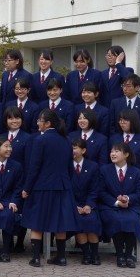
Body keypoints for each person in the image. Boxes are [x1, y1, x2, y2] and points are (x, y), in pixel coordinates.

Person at [21, 109, 80, 267]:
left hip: (42, 186)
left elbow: (34, 168)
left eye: (40, 120)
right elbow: (70, 168)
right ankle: (61, 257)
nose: (37, 123)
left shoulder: (40, 141)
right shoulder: (67, 140)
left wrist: (27, 188)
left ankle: (35, 258)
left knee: (37, 221)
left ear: (48, 123)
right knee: (60, 221)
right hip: (62, 186)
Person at [98, 142, 140, 268]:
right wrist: (116, 202)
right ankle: (120, 254)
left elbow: (139, 193)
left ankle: (129, 254)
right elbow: (101, 192)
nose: (113, 154)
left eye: (117, 151)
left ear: (126, 154)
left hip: (131, 206)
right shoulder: (104, 170)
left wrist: (127, 199)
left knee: (132, 220)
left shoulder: (136, 172)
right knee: (116, 220)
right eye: (111, 151)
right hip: (110, 206)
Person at [71, 138, 102, 265]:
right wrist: (75, 206)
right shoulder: (66, 165)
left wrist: (89, 205)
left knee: (91, 220)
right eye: (71, 148)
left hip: (90, 204)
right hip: (72, 205)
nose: (72, 150)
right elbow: (66, 190)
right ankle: (86, 254)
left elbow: (94, 189)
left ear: (83, 150)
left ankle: (95, 254)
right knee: (79, 220)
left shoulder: (93, 166)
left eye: (75, 148)